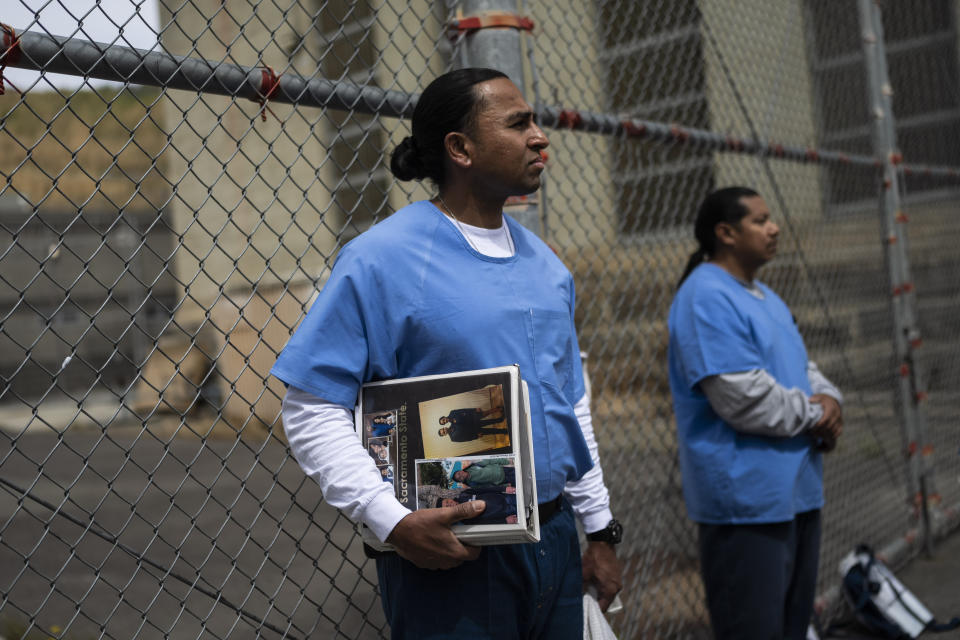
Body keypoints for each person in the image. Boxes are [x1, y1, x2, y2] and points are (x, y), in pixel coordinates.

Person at [272, 68, 622, 638]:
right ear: (459, 148)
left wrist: (600, 530)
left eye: (535, 121)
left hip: (557, 540)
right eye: (518, 123)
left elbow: (570, 405)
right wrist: (392, 521)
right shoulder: (379, 260)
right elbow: (311, 406)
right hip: (451, 554)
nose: (541, 136)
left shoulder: (549, 268)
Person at [667, 186, 844, 640]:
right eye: (761, 220)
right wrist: (815, 415)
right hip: (747, 505)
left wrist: (829, 401)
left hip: (795, 492)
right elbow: (742, 398)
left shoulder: (764, 295)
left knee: (791, 626)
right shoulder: (705, 296)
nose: (775, 227)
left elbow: (803, 368)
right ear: (725, 233)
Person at [437, 485, 519, 525]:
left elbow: (484, 489)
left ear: (449, 498)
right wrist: (504, 521)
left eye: (447, 502)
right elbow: (484, 523)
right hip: (506, 513)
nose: (449, 504)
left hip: (505, 497)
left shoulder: (464, 494)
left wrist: (504, 488)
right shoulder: (464, 519)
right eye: (447, 507)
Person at [437, 405, 509, 441]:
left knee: (489, 419)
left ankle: (500, 418)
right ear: (445, 435)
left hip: (474, 422)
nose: (444, 430)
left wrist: (473, 410)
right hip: (476, 432)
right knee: (491, 431)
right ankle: (504, 431)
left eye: (443, 429)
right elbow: (465, 439)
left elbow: (463, 410)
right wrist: (476, 436)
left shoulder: (453, 422)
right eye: (443, 432)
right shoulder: (453, 438)